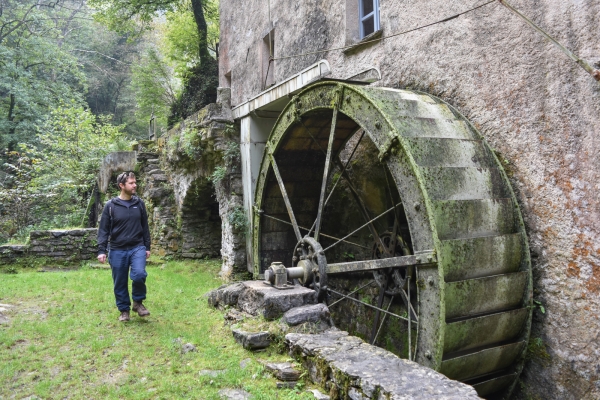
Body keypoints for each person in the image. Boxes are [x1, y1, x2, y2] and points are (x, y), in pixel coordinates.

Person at [97, 171, 151, 322]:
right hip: (117, 249)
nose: (135, 185)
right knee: (119, 281)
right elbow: (103, 230)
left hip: (137, 247)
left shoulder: (139, 204)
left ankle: (138, 303)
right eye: (131, 183)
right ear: (121, 185)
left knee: (139, 274)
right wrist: (101, 250)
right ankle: (124, 311)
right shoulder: (110, 206)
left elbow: (145, 226)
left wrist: (147, 246)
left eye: (135, 182)